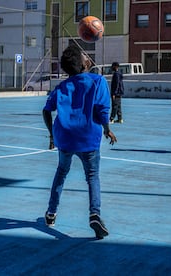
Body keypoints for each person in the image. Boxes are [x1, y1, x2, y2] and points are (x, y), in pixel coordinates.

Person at [42, 45, 117, 239]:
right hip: (87, 137)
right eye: (84, 55)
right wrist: (107, 129)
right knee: (92, 176)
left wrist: (52, 134)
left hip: (65, 138)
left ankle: (51, 213)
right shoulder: (97, 81)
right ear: (83, 63)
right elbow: (102, 110)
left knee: (61, 172)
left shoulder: (61, 86)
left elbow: (46, 110)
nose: (87, 56)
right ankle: (94, 213)